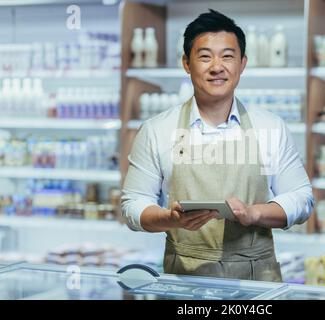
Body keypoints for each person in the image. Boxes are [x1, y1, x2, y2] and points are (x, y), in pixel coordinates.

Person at [121, 9, 314, 282]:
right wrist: (171, 219)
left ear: (242, 63)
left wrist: (253, 212)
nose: (217, 66)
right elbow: (133, 205)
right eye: (204, 56)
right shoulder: (156, 130)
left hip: (255, 283)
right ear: (186, 63)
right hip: (185, 283)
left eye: (227, 56)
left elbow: (302, 198)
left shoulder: (269, 127)